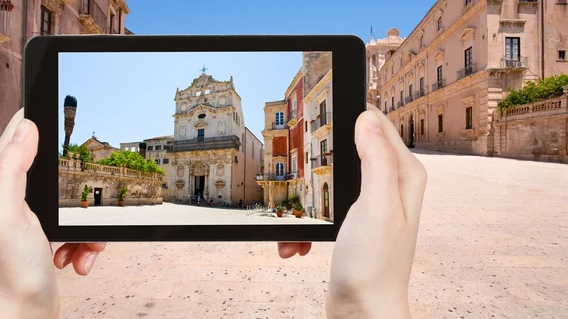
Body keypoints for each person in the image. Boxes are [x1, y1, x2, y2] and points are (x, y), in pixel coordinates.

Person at [0, 105, 426, 319]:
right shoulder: (185, 126)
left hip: (218, 158)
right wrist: (370, 304)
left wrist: (20, 306)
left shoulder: (241, 129)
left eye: (203, 114)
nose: (196, 115)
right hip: (195, 160)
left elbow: (246, 140)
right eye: (192, 114)